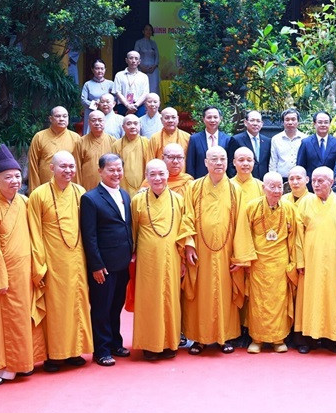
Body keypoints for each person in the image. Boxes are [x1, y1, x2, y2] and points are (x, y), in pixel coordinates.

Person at [0, 145, 47, 385]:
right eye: (7, 177)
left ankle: (22, 363)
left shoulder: (24, 201)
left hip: (25, 271)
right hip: (5, 274)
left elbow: (34, 237)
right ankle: (4, 366)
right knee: (4, 321)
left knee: (23, 318)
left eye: (17, 176)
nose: (14, 181)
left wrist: (38, 268)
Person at [27, 151, 93, 372]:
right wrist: (39, 264)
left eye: (72, 166)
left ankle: (75, 351)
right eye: (63, 166)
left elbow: (87, 229)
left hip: (77, 259)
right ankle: (54, 354)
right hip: (52, 261)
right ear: (51, 168)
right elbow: (34, 232)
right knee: (56, 309)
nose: (68, 171)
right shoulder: (39, 195)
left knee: (77, 305)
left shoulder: (80, 192)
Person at [180, 146, 243, 355]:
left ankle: (224, 337)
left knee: (225, 294)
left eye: (222, 159)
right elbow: (187, 216)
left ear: (228, 162)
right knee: (200, 294)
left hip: (227, 253)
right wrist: (188, 243)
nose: (218, 163)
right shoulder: (194, 187)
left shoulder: (236, 190)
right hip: (200, 252)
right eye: (214, 159)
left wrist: (239, 255)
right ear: (205, 162)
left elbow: (241, 224)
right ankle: (199, 338)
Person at [233, 172, 299, 354]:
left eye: (279, 186)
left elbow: (295, 238)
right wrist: (244, 259)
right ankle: (257, 338)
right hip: (258, 262)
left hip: (280, 262)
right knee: (257, 301)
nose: (277, 191)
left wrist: (295, 262)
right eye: (272, 186)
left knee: (279, 299)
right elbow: (243, 235)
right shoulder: (252, 207)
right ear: (263, 188)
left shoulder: (289, 208)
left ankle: (278, 338)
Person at [80, 153, 134, 367]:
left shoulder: (125, 195)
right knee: (101, 308)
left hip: (122, 262)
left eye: (119, 169)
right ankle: (101, 350)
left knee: (115, 306)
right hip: (103, 265)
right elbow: (89, 235)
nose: (116, 173)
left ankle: (115, 343)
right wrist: (96, 265)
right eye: (111, 169)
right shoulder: (90, 198)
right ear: (100, 171)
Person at [130, 159, 185, 361]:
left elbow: (183, 231)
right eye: (152, 174)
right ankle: (149, 344)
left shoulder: (178, 200)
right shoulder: (137, 200)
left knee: (170, 298)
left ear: (168, 175)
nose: (157, 178)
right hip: (147, 260)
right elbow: (133, 232)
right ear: (146, 176)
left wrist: (184, 259)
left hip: (171, 257)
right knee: (149, 300)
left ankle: (170, 342)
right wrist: (133, 255)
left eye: (161, 173)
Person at [294, 167, 336, 353]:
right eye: (314, 181)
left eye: (321, 181)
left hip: (333, 259)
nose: (316, 184)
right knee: (309, 297)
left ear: (331, 182)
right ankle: (307, 339)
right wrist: (300, 261)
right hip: (310, 260)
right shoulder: (305, 202)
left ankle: (331, 338)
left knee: (331, 296)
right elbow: (297, 234)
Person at [28, 106, 81, 193]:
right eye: (58, 116)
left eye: (65, 116)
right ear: (50, 119)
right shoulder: (39, 137)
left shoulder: (76, 138)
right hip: (45, 186)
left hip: (69, 187)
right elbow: (33, 165)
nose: (61, 119)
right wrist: (35, 190)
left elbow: (78, 166)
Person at [297, 111, 336, 191]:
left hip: (331, 187)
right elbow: (300, 166)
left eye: (326, 122)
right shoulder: (306, 143)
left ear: (330, 124)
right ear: (314, 124)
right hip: (310, 188)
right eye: (320, 122)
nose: (323, 125)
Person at [74, 110, 117, 190]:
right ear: (89, 122)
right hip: (87, 185)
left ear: (105, 122)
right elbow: (76, 168)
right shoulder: (80, 142)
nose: (97, 123)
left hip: (108, 184)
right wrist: (78, 188)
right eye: (93, 120)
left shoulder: (113, 141)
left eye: (100, 120)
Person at [112, 114, 152, 198]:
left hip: (143, 186)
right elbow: (114, 167)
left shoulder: (147, 143)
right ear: (123, 127)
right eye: (129, 123)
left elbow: (150, 165)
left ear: (140, 126)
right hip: (123, 185)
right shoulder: (116, 145)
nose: (132, 126)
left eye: (135, 123)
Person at [186, 106, 231, 178]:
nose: (212, 120)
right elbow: (190, 164)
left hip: (222, 180)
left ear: (220, 119)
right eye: (209, 117)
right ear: (203, 119)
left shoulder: (227, 139)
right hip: (201, 181)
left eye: (215, 117)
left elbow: (230, 164)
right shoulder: (194, 139)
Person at [228, 110, 271, 180]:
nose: (255, 123)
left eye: (258, 121)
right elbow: (231, 164)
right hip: (243, 181)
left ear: (262, 124)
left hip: (263, 182)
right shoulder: (236, 140)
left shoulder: (267, 141)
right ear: (245, 122)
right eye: (252, 120)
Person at [268, 108, 307, 180]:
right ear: (283, 122)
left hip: (300, 178)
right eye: (287, 119)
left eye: (293, 119)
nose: (290, 122)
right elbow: (273, 161)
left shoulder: (305, 139)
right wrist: (273, 178)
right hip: (281, 178)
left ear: (298, 122)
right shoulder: (276, 139)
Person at [80, 59, 115, 135]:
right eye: (97, 68)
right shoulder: (88, 84)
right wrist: (95, 105)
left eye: (102, 68)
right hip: (91, 111)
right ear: (92, 70)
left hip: (106, 112)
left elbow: (115, 98)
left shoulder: (110, 84)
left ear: (105, 70)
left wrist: (105, 105)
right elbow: (83, 100)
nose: (100, 71)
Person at [113, 50, 150, 116]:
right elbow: (117, 92)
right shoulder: (119, 75)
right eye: (131, 58)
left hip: (139, 106)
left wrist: (136, 105)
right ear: (126, 60)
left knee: (139, 125)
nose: (133, 61)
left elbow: (145, 93)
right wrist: (127, 105)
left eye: (136, 58)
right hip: (123, 106)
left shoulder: (144, 76)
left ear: (139, 61)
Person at [134, 24, 160, 95]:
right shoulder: (138, 42)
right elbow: (135, 56)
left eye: (150, 30)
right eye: (146, 29)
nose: (148, 31)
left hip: (153, 70)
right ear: (143, 31)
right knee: (141, 88)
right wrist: (141, 67)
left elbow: (157, 56)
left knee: (154, 88)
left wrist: (154, 66)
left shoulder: (153, 43)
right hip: (141, 69)